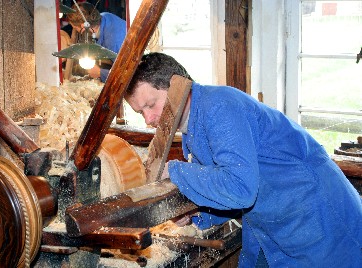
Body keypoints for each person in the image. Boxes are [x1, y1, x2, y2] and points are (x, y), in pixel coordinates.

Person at [124, 52, 362, 267]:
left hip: (317, 215)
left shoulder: (218, 106)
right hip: (277, 219)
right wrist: (198, 215)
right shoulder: (191, 130)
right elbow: (229, 190)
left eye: (151, 105)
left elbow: (240, 188)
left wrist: (176, 171)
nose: (148, 119)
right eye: (140, 112)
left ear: (177, 85)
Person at [67, 2, 126, 82]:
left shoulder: (113, 43)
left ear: (83, 27)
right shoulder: (104, 16)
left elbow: (128, 74)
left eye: (76, 29)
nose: (77, 32)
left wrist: (100, 73)